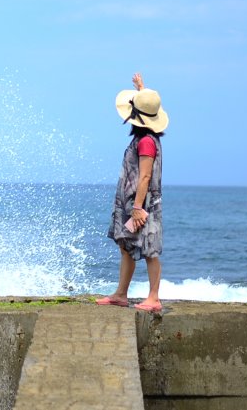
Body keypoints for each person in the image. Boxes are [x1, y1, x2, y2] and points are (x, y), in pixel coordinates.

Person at [96, 72, 168, 313]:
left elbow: (145, 176)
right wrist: (141, 89)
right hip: (132, 202)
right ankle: (120, 294)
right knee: (126, 245)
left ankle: (154, 298)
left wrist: (138, 208)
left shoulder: (146, 142)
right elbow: (148, 107)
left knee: (149, 249)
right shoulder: (145, 136)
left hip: (143, 205)